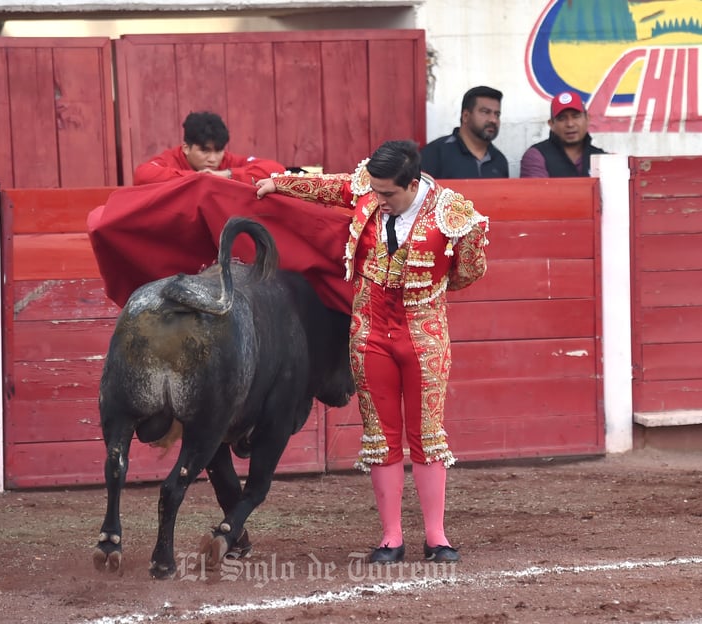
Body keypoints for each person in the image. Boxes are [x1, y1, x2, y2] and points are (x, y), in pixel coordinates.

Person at [256, 140, 489, 564]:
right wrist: (278, 183)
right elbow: (333, 188)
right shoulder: (370, 189)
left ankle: (436, 537)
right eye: (375, 192)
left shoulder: (455, 215)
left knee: (427, 435)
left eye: (387, 194)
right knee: (381, 437)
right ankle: (391, 537)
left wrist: (428, 294)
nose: (378, 200)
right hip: (370, 332)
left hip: (423, 334)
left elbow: (469, 270)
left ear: (413, 184)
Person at [132, 111, 286, 185]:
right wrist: (200, 178)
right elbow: (142, 175)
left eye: (218, 151)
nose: (213, 159)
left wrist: (227, 175)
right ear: (186, 148)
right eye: (204, 151)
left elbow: (277, 169)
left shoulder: (227, 160)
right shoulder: (170, 159)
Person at [420, 86, 509, 179]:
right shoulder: (435, 154)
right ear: (465, 116)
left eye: (497, 114)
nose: (493, 120)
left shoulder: (499, 161)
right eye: (485, 112)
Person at [520, 91, 606, 178]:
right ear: (551, 124)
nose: (570, 124)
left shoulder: (602, 158)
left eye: (576, 116)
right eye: (562, 118)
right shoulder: (537, 156)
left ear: (587, 119)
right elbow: (538, 191)